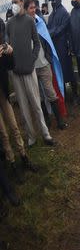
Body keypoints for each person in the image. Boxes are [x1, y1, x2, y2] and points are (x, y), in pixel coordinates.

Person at [6, 0, 55, 146]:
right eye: (12, 1)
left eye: (15, 1)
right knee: (23, 108)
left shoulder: (29, 21)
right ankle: (31, 137)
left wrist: (32, 60)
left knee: (36, 103)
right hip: (16, 72)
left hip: (29, 70)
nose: (13, 4)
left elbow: (37, 44)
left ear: (21, 1)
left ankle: (45, 134)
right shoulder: (9, 23)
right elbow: (7, 45)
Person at [0, 20, 37, 175]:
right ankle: (12, 162)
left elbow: (10, 66)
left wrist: (10, 52)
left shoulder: (2, 45)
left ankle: (23, 156)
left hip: (3, 92)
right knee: (3, 132)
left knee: (14, 126)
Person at [26, 0, 67, 130]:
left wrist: (48, 58)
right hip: (31, 67)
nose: (33, 10)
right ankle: (47, 121)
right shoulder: (24, 26)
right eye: (31, 8)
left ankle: (59, 121)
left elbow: (47, 41)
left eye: (34, 8)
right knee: (39, 95)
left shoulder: (40, 23)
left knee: (50, 92)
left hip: (43, 64)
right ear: (26, 10)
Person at [47, 0, 78, 103]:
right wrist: (51, 32)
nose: (52, 2)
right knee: (58, 72)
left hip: (64, 47)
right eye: (51, 0)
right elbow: (48, 29)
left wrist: (51, 32)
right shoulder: (51, 15)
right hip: (55, 48)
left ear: (59, 0)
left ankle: (75, 96)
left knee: (68, 72)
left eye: (54, 0)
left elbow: (61, 29)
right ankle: (63, 95)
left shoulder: (64, 13)